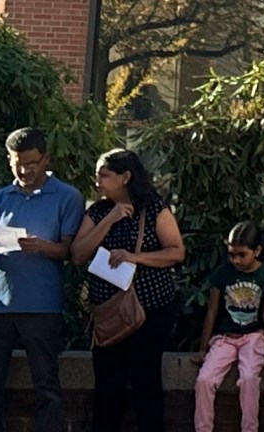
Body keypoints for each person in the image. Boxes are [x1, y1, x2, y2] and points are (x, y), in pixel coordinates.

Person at [0, 127, 84, 432]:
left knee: (46, 385)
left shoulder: (67, 196)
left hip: (42, 305)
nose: (24, 170)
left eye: (32, 163)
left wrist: (43, 246)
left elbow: (68, 251)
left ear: (46, 158)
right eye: (17, 163)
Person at [73, 149, 187, 432]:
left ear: (125, 177)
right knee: (107, 386)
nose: (97, 180)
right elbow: (77, 254)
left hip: (149, 310)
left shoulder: (153, 208)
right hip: (108, 311)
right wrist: (109, 219)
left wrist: (136, 258)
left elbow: (176, 252)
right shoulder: (97, 211)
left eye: (104, 175)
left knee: (145, 383)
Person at [197, 222, 264, 432]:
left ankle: (250, 429)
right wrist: (203, 349)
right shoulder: (222, 274)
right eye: (231, 254)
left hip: (253, 337)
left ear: (257, 251)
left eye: (241, 254)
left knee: (248, 379)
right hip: (225, 337)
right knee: (204, 379)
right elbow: (211, 312)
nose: (235, 260)